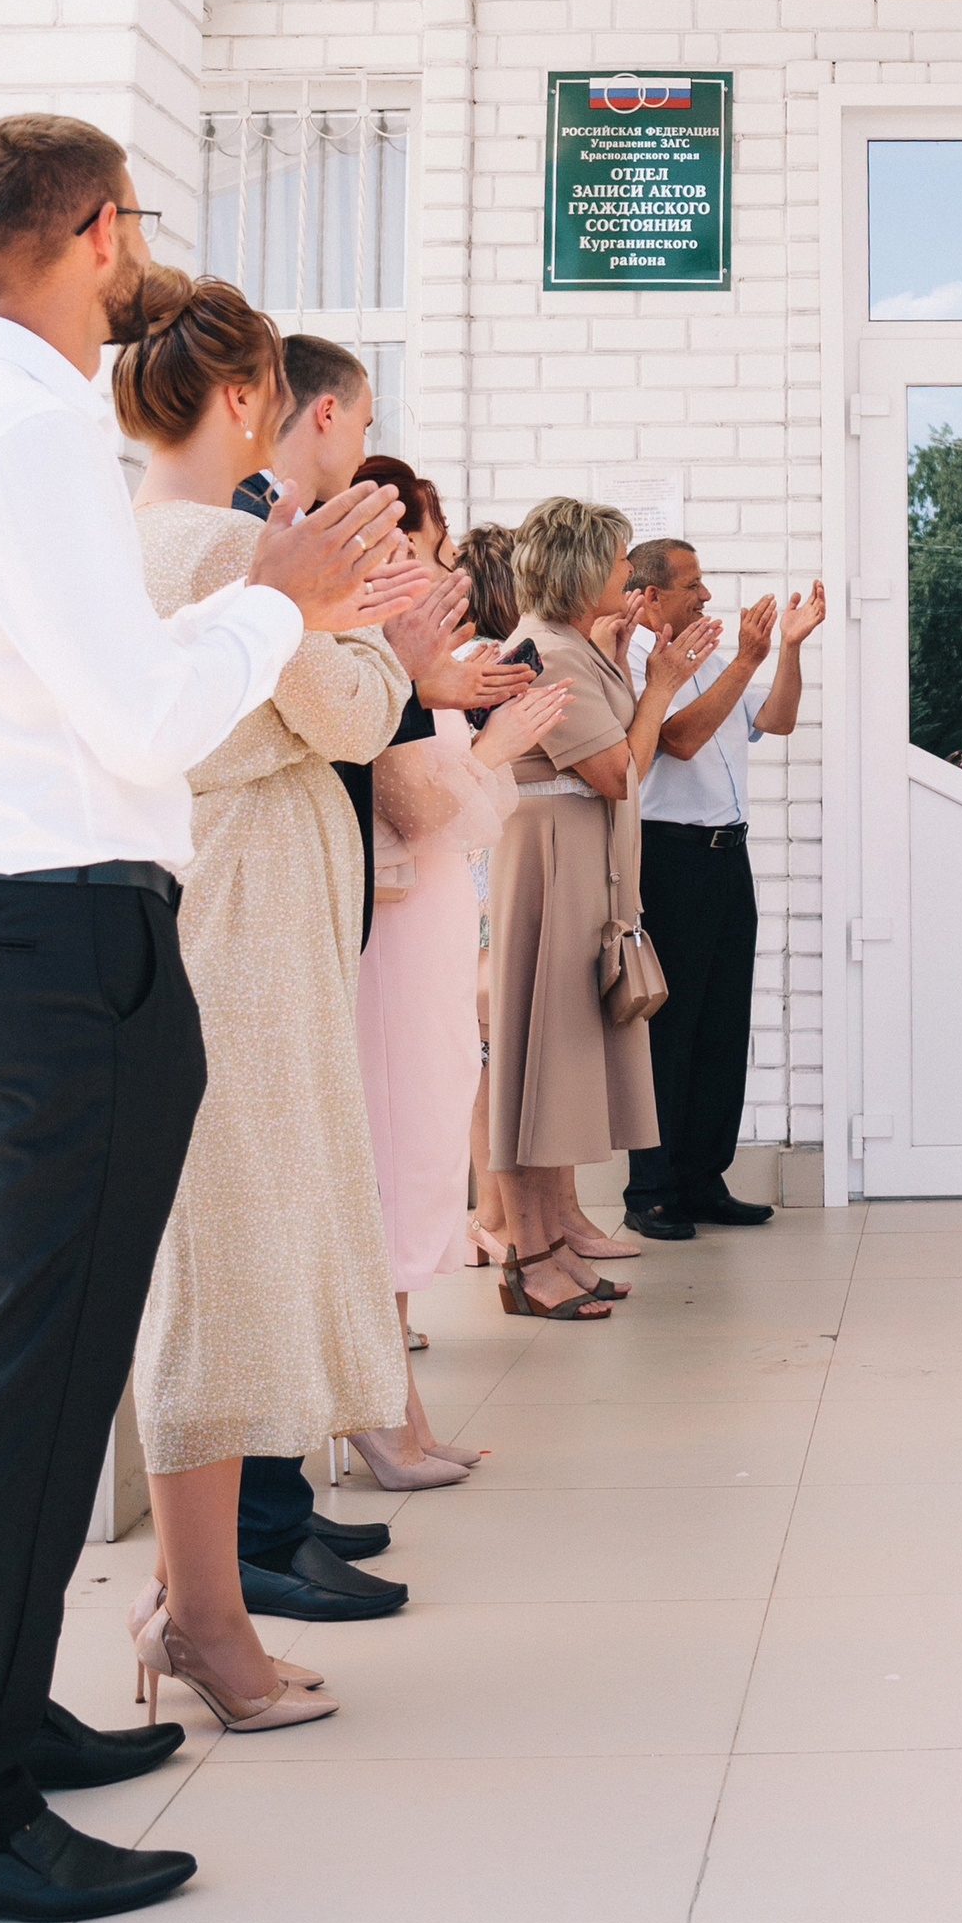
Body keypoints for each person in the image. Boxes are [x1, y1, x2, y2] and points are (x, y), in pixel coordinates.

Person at [0, 118, 413, 1923]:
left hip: (21, 925)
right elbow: (138, 718)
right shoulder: (33, 434)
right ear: (103, 230)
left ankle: (2, 1715)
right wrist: (278, 603)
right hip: (67, 938)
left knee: (48, 1370)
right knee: (47, 1385)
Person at [122, 279, 435, 1737]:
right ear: (248, 398)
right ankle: (204, 1612)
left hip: (204, 910)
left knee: (221, 1248)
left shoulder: (133, 534)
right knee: (229, 1261)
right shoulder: (226, 544)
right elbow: (360, 711)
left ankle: (197, 1596)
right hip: (239, 933)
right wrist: (361, 630)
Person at [228, 350, 526, 1626]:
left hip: (325, 907)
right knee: (292, 1216)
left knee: (327, 1199)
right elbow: (360, 738)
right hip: (272, 917)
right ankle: (261, 1520)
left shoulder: (272, 546)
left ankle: (283, 1500)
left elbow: (362, 717)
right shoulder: (238, 542)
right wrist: (419, 680)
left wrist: (419, 676)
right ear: (317, 411)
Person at [352, 458, 565, 1481]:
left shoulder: (409, 660)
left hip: (431, 922)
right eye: (429, 548)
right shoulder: (375, 657)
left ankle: (397, 1404)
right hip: (393, 935)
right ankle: (381, 1412)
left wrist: (484, 735)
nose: (445, 571)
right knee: (395, 1155)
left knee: (428, 1136)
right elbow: (408, 803)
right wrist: (492, 747)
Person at [483, 498, 718, 1313]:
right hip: (551, 868)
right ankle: (529, 1259)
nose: (629, 573)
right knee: (536, 1066)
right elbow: (619, 771)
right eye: (619, 561)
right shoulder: (548, 652)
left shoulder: (576, 647)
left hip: (580, 863)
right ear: (583, 569)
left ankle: (553, 1244)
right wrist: (660, 688)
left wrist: (632, 674)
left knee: (563, 1066)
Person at [616, 542, 824, 1242]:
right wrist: (744, 661)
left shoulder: (710, 653)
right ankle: (652, 1190)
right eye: (693, 584)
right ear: (651, 596)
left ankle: (704, 1180)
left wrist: (786, 649)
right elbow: (676, 740)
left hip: (727, 856)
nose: (706, 594)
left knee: (722, 1026)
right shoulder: (638, 660)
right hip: (668, 857)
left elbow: (778, 719)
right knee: (669, 1031)